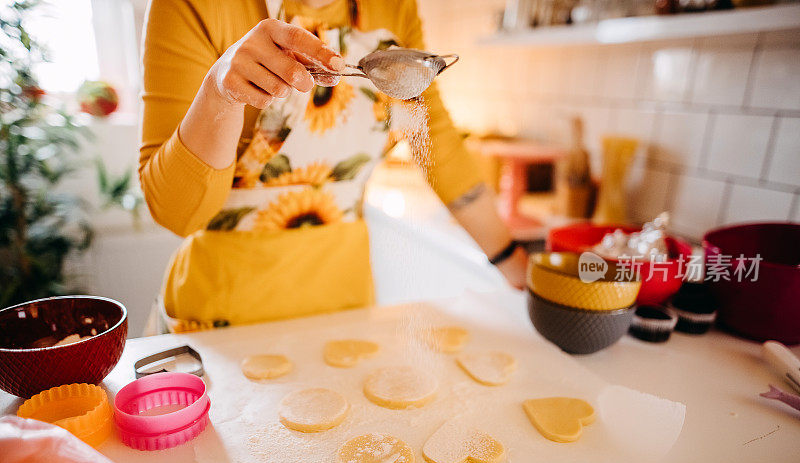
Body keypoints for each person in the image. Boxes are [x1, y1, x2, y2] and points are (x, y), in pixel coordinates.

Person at [139, 0, 528, 333]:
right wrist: (219, 95)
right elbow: (176, 213)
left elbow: (437, 140)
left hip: (344, 307)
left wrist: (516, 265)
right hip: (222, 322)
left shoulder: (392, 8)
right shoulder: (197, 7)